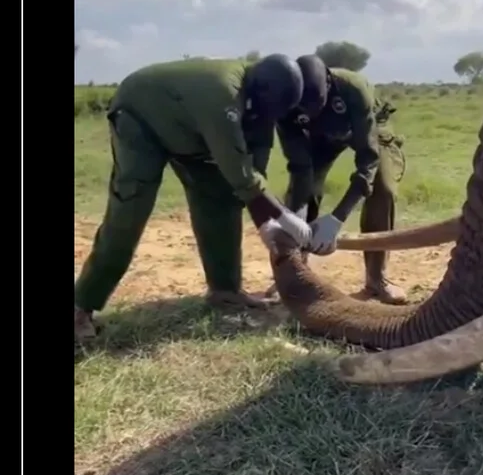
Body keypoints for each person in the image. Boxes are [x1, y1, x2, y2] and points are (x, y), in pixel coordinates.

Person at [74, 54, 312, 344]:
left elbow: (254, 170)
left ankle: (225, 290)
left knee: (219, 199)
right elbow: (238, 169)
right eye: (270, 110)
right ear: (260, 91)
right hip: (140, 118)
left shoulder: (263, 105)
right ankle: (81, 306)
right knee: (130, 208)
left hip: (188, 131)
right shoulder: (222, 93)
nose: (269, 118)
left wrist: (266, 221)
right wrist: (282, 215)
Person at [269, 54, 408, 304]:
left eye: (316, 105)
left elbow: (368, 158)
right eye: (303, 109)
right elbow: (301, 167)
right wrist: (298, 217)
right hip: (320, 138)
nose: (310, 113)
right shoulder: (286, 101)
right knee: (302, 192)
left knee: (384, 189)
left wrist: (337, 218)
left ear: (330, 86)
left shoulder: (353, 89)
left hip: (367, 127)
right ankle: (292, 275)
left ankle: (377, 279)